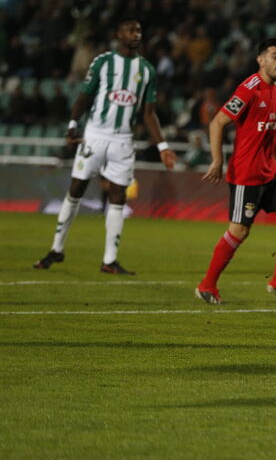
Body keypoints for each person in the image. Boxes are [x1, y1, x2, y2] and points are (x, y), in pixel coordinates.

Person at [33, 18, 177, 273]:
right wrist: (72, 124)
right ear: (118, 34)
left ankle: (109, 260)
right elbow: (85, 95)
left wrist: (162, 146)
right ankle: (56, 249)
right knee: (76, 190)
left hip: (123, 141)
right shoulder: (103, 62)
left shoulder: (146, 70)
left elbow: (149, 113)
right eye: (130, 30)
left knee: (118, 197)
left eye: (139, 31)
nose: (136, 34)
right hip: (95, 135)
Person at [195, 37, 276, 305]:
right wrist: (217, 160)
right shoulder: (248, 89)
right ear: (261, 59)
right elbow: (217, 123)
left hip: (270, 171)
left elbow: (273, 132)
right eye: (275, 56)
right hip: (246, 175)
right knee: (239, 232)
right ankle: (207, 285)